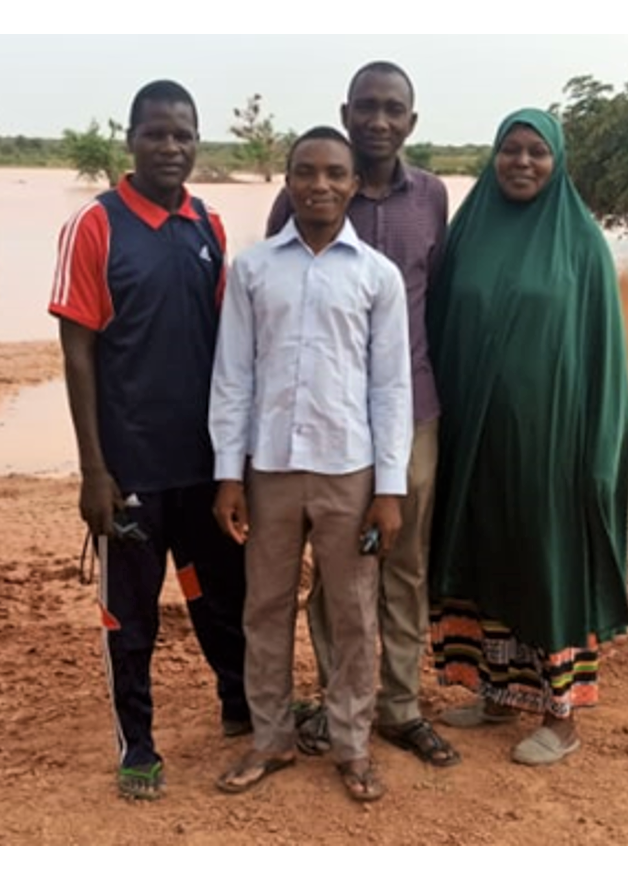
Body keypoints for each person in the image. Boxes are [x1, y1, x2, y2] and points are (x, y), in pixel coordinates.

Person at [263, 60, 463, 770]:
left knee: (404, 564)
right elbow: (279, 292)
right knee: (335, 566)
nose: (379, 120)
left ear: (412, 121)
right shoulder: (304, 193)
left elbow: (439, 299)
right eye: (367, 106)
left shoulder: (432, 196)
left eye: (393, 109)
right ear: (346, 112)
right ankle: (334, 699)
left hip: (414, 410)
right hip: (328, 422)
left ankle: (400, 706)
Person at [55, 78, 251, 801]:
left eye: (184, 134)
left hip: (202, 465)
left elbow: (227, 346)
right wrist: (93, 470)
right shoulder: (95, 225)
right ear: (131, 139)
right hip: (130, 468)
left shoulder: (209, 225)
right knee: (131, 617)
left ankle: (239, 701)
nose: (171, 146)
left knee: (217, 594)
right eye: (157, 133)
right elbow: (77, 351)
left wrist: (236, 460)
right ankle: (137, 742)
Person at [424, 109, 628, 767]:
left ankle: (559, 717)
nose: (521, 162)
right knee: (483, 559)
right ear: (493, 157)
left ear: (557, 160)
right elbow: (437, 329)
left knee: (546, 568)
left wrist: (600, 452)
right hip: (475, 440)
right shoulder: (467, 233)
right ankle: (494, 694)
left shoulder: (582, 245)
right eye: (510, 149)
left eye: (536, 151)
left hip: (552, 447)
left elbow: (605, 358)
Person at [207, 127, 411, 802]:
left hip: (349, 470)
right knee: (265, 607)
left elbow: (391, 388)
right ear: (287, 181)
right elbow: (233, 375)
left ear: (353, 184)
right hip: (268, 469)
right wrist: (229, 473)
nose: (318, 184)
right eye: (304, 171)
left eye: (333, 173)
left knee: (352, 611)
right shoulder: (254, 269)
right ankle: (271, 738)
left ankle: (352, 744)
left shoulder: (376, 276)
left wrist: (389, 488)